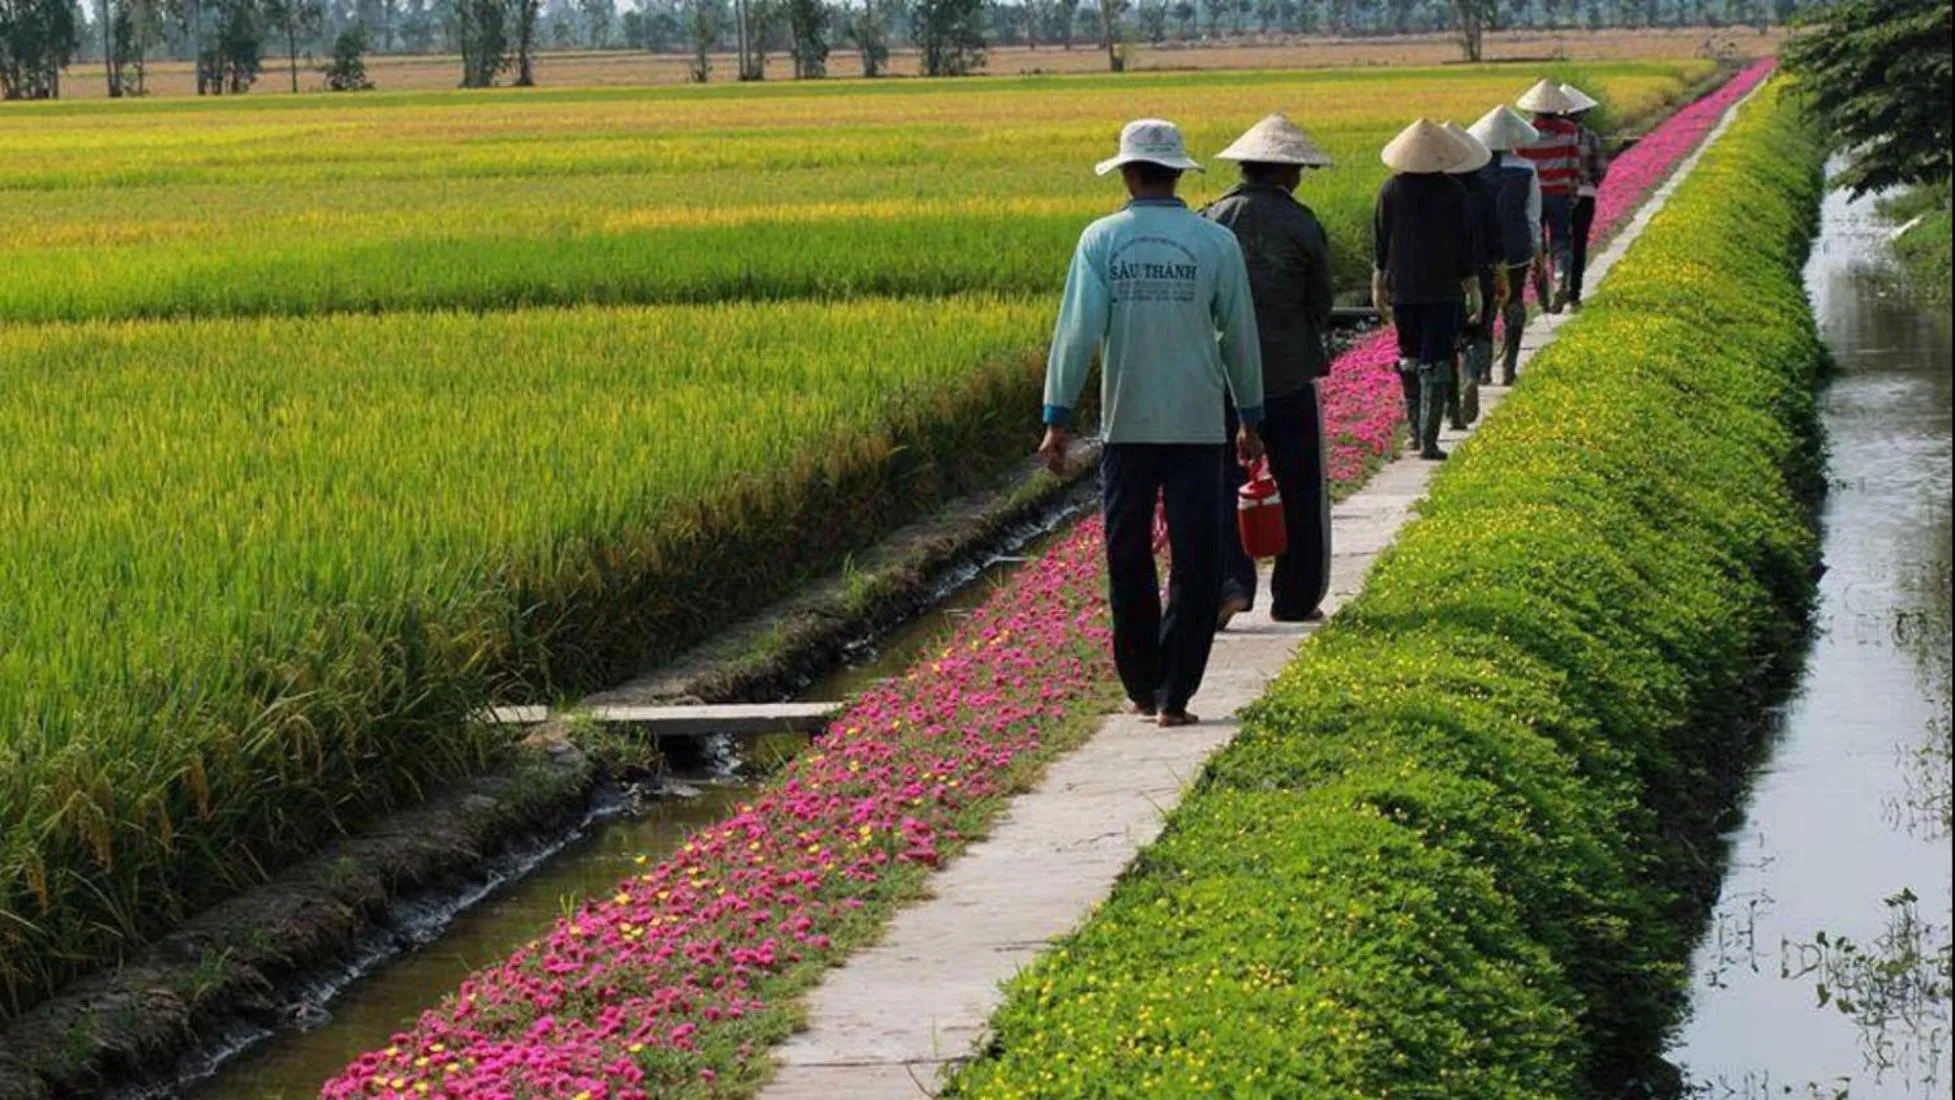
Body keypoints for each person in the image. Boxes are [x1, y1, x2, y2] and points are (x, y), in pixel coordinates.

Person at [1039, 118, 1266, 728]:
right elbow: (1239, 336)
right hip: (1198, 424)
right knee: (1197, 559)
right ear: (1175, 172)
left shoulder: (1101, 241)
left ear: (1128, 172)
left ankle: (1141, 684)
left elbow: (1075, 334)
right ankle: (1175, 695)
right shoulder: (1214, 243)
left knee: (1128, 555)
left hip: (1127, 425)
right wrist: (1251, 415)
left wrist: (1056, 417)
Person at [1202, 113, 1336, 629]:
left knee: (1222, 481)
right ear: (1287, 172)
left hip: (1223, 379)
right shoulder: (1302, 224)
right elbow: (1320, 303)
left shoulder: (1213, 220)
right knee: (1299, 487)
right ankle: (1295, 597)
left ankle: (1229, 586)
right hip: (1288, 374)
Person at [1371, 118, 1478, 462]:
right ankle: (1429, 440)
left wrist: (1378, 285)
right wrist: (1474, 289)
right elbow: (1465, 245)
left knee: (1410, 358)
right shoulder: (1454, 191)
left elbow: (1381, 243)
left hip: (1404, 289)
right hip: (1443, 288)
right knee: (1436, 359)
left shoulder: (1391, 190)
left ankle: (1416, 435)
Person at [1470, 105, 1543, 386]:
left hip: (1484, 251)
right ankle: (1510, 366)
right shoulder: (1526, 169)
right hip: (1516, 247)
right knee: (1514, 301)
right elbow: (1532, 215)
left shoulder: (1474, 174)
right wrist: (1536, 249)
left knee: (1485, 306)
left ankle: (1484, 370)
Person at [1441, 120, 1498, 430]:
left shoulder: (1437, 193)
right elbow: (1495, 236)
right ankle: (1473, 375)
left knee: (1449, 340)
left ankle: (1453, 407)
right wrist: (1500, 271)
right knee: (1477, 329)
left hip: (1445, 276)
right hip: (1480, 271)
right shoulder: (1485, 189)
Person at [1514, 78, 1583, 313]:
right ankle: (1561, 274)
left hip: (1533, 196)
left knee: (1536, 244)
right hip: (1560, 193)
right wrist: (1573, 191)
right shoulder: (1570, 130)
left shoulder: (1525, 133)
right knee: (1561, 239)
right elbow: (1574, 164)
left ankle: (1543, 296)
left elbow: (1521, 167)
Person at [1561, 82, 1610, 310]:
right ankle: (1574, 296)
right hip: (1584, 195)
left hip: (1555, 197)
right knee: (1579, 244)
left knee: (1558, 243)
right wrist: (1589, 184)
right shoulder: (1590, 137)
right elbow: (1600, 168)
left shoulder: (1547, 137)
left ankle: (1559, 284)